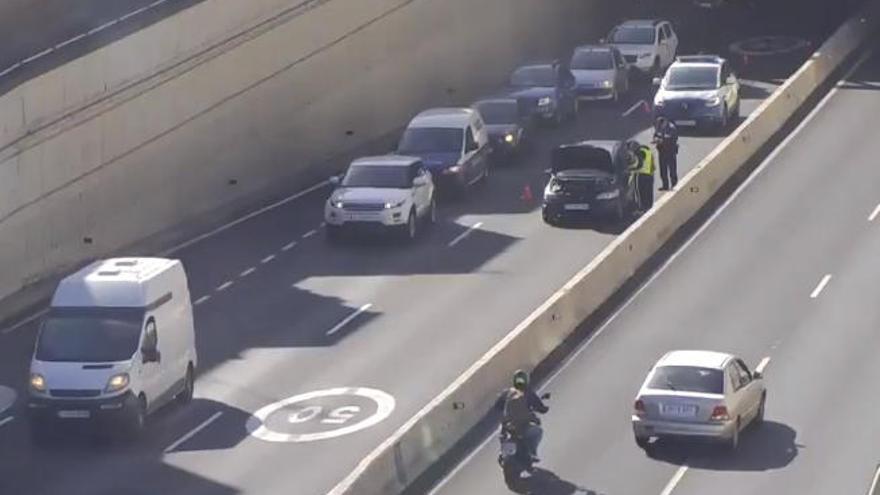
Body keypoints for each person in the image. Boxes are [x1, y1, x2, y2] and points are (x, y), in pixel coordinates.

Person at [496, 369, 549, 461]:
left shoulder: (507, 393)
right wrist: (543, 409)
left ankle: (504, 453)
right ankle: (532, 452)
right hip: (522, 425)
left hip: (508, 425)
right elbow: (541, 408)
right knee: (537, 431)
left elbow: (497, 407)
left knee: (502, 434)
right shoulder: (529, 393)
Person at [652, 117, 679, 191]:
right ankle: (665, 185)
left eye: (661, 125)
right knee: (663, 170)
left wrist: (663, 141)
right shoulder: (658, 127)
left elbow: (674, 139)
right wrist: (655, 140)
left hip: (670, 151)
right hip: (662, 151)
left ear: (665, 122)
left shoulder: (671, 128)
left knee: (672, 169)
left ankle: (674, 184)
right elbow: (656, 135)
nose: (659, 126)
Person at [627, 141, 655, 213]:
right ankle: (649, 206)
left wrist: (630, 168)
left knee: (639, 192)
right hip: (650, 175)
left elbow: (639, 165)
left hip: (640, 175)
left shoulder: (640, 152)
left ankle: (640, 208)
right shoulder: (648, 151)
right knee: (648, 192)